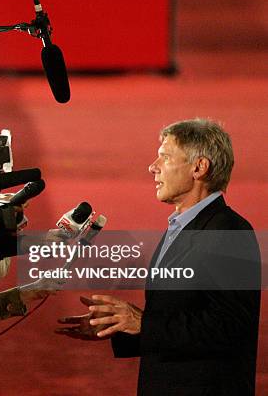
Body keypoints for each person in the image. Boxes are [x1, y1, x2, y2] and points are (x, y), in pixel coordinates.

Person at [57, 118, 261, 395]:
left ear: (199, 167)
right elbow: (178, 317)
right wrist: (120, 328)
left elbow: (230, 327)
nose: (152, 167)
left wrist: (142, 322)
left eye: (165, 157)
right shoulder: (182, 226)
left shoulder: (229, 230)